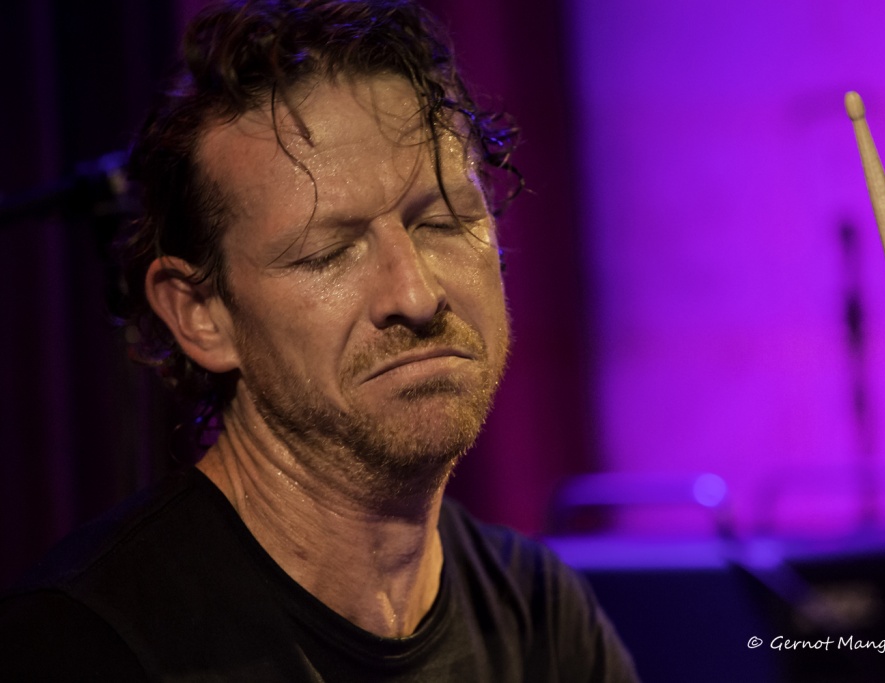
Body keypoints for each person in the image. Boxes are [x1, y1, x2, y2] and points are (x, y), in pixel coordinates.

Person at [0, 1, 637, 680]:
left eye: (445, 221)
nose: (416, 295)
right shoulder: (80, 645)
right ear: (200, 315)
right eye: (328, 253)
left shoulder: (540, 616)